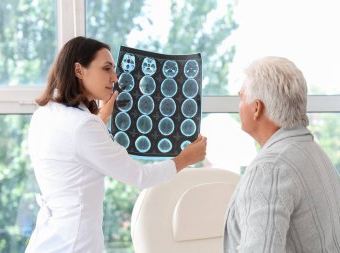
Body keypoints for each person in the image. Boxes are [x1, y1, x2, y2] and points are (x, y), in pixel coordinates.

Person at [25, 36, 207, 253]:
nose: (115, 77)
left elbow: (73, 151)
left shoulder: (45, 114)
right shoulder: (83, 126)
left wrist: (99, 119)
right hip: (76, 245)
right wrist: (185, 158)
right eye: (106, 69)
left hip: (47, 241)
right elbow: (139, 177)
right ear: (79, 70)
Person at [223, 56, 340, 252]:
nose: (238, 106)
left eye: (241, 97)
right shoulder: (314, 153)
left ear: (257, 108)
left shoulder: (269, 169)